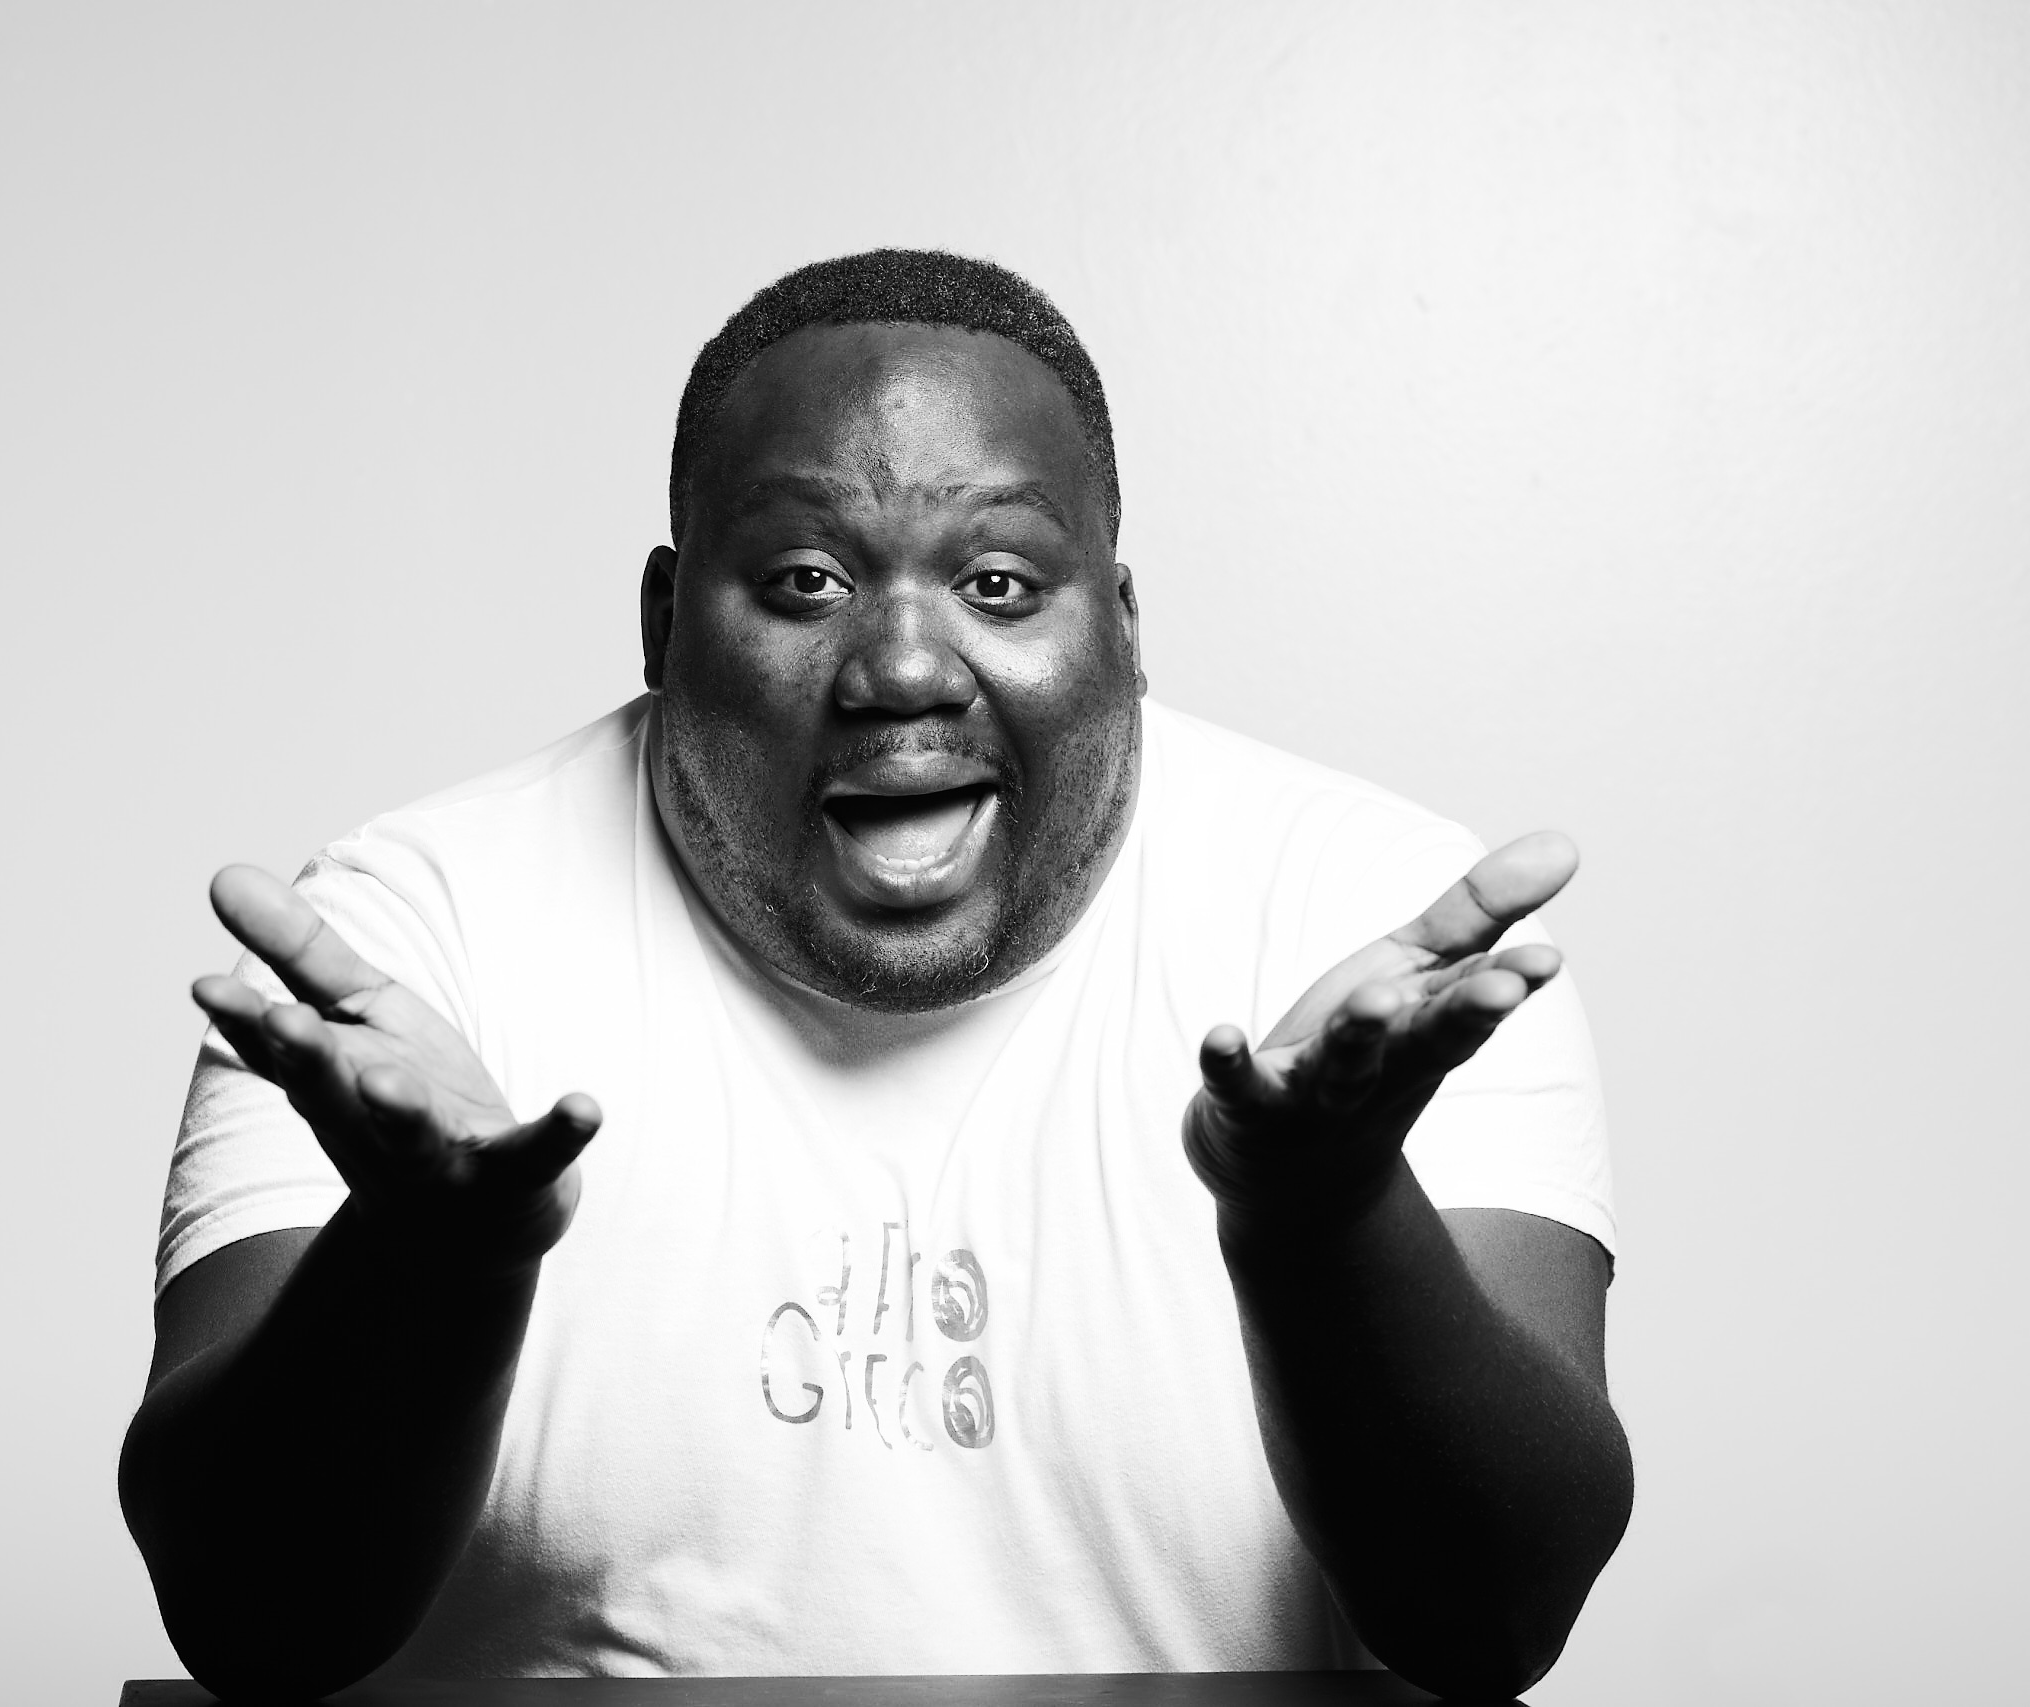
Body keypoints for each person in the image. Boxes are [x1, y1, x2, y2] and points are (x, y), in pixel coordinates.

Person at [119, 250, 1632, 1705]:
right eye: (804, 580)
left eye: (999, 581)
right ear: (662, 622)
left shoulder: (1375, 941)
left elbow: (1493, 1623)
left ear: (1122, 626)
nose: (904, 667)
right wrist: (431, 1257)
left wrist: (1325, 1211)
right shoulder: (409, 940)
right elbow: (251, 1625)